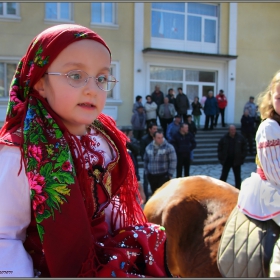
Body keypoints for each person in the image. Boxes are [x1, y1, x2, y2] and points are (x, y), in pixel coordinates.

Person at [0, 24, 172, 278]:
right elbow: (5, 236)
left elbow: (107, 206)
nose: (92, 88)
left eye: (101, 78)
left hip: (103, 255)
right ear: (40, 83)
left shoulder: (103, 139)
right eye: (76, 75)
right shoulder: (18, 153)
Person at [237, 70, 280, 276]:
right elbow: (275, 172)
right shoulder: (270, 127)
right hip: (271, 188)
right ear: (271, 98)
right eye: (279, 97)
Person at [143, 130, 177, 195]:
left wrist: (170, 174)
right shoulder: (148, 147)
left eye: (162, 137)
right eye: (158, 138)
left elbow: (173, 161)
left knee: (162, 194)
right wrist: (147, 173)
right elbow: (145, 160)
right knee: (154, 193)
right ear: (154, 138)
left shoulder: (169, 147)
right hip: (152, 175)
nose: (161, 139)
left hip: (163, 175)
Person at [217, 125, 247, 189]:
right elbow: (219, 148)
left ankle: (238, 189)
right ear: (229, 130)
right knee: (224, 176)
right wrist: (221, 157)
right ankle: (221, 189)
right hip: (227, 160)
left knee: (237, 177)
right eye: (231, 130)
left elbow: (244, 148)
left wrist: (242, 157)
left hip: (237, 160)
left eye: (234, 130)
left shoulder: (240, 138)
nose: (233, 131)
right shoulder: (224, 138)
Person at [140, 122, 158, 200]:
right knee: (146, 181)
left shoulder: (158, 137)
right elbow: (142, 151)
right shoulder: (144, 139)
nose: (155, 130)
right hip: (148, 162)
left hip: (157, 162)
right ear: (149, 129)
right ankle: (146, 198)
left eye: (156, 129)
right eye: (154, 129)